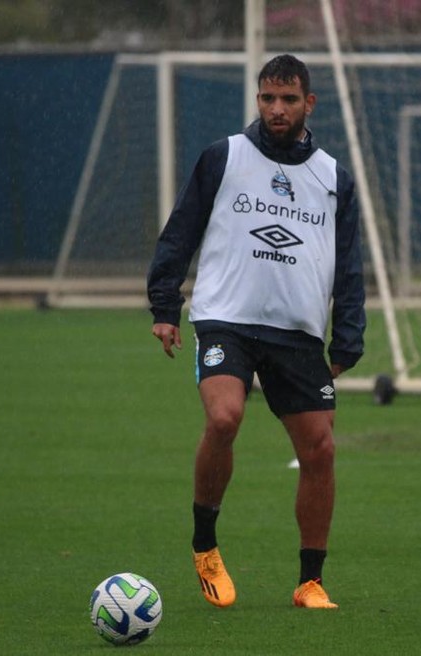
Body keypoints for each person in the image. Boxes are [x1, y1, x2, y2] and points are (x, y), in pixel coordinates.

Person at [146, 54, 365, 610]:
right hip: (227, 317)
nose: (276, 109)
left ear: (308, 103)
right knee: (225, 416)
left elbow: (348, 265)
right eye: (268, 98)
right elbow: (181, 232)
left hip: (296, 331)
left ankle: (310, 581)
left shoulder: (333, 177)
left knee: (319, 450)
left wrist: (348, 337)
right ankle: (205, 545)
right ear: (258, 99)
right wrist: (165, 305)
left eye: (288, 99)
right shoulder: (224, 157)